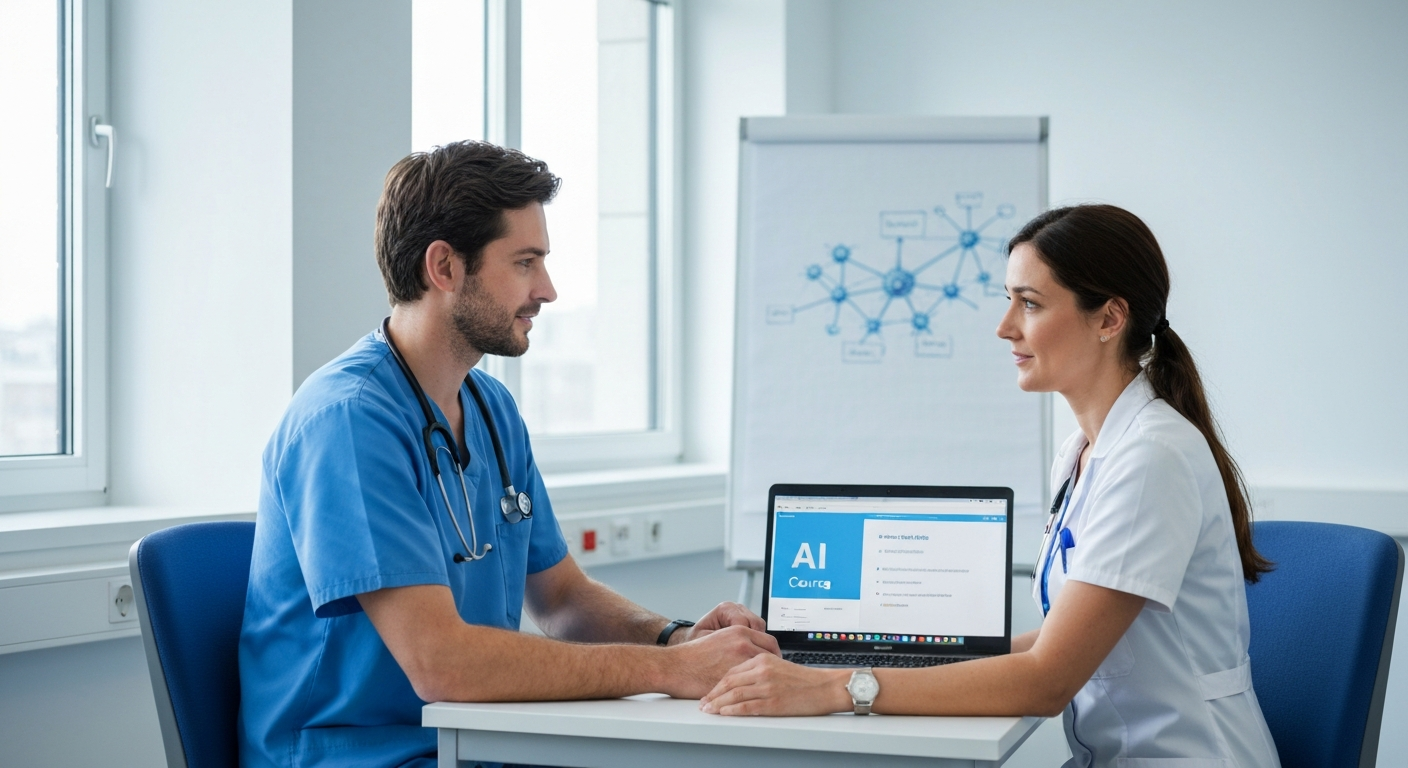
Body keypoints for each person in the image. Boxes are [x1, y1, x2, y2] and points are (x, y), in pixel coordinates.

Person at [238, 140, 778, 768]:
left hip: (475, 746)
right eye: (525, 262)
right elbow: (444, 667)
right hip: (359, 755)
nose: (546, 290)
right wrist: (670, 670)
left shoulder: (491, 409)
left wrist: (677, 637)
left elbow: (563, 601)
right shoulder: (347, 421)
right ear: (444, 268)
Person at [700, 204, 1282, 768]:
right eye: (1008, 301)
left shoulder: (1151, 457)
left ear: (1109, 318)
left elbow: (1048, 681)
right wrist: (902, 658)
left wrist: (836, 687)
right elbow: (1053, 642)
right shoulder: (1083, 452)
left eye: (1029, 304)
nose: (1005, 328)